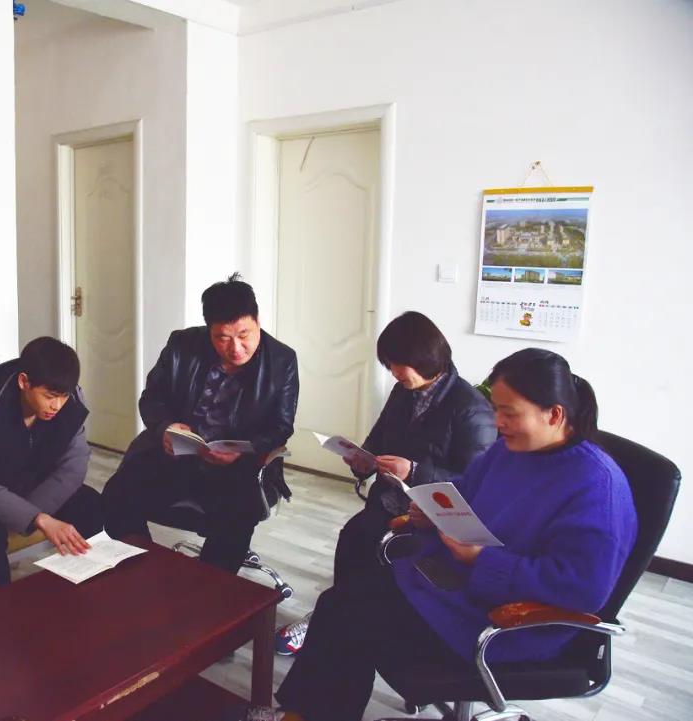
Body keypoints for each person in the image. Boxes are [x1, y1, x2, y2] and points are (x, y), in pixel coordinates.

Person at [232, 348, 637, 721]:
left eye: (510, 413)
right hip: (459, 587)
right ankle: (300, 713)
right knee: (339, 602)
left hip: (512, 623)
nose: (499, 423)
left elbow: (581, 589)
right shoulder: (510, 450)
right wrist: (432, 512)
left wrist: (481, 560)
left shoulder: (596, 486)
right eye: (497, 410)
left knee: (354, 620)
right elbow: (465, 492)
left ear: (554, 414)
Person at [276, 311, 495, 654]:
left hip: (434, 519)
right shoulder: (403, 392)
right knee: (353, 540)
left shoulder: (471, 409)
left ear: (426, 358)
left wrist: (415, 470)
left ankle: (343, 622)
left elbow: (475, 483)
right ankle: (332, 617)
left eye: (398, 364)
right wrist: (363, 461)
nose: (394, 372)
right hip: (390, 502)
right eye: (390, 364)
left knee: (377, 563)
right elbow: (378, 441)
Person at [102, 273, 299, 575]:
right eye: (223, 338)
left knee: (237, 514)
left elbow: (281, 426)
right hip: (177, 455)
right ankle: (141, 569)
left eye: (244, 335)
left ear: (258, 321)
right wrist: (165, 427)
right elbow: (152, 397)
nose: (236, 348)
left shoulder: (282, 361)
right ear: (209, 330)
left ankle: (209, 588)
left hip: (239, 467)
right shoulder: (182, 345)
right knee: (117, 493)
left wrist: (243, 450)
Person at [0, 336, 103, 591]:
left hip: (36, 484)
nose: (57, 405)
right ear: (24, 382)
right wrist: (37, 518)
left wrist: (33, 514)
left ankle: (88, 590)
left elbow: (74, 467)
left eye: (63, 396)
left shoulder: (72, 402)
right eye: (49, 396)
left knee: (90, 503)